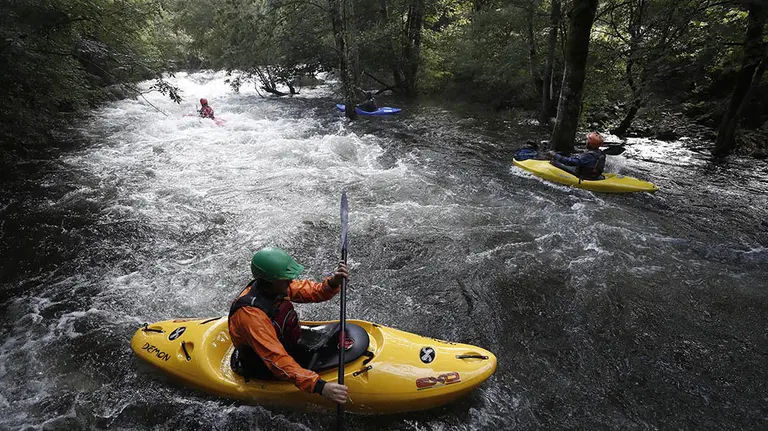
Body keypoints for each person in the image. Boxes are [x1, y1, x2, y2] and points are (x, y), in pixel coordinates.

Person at [228, 247, 349, 404]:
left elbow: (314, 292)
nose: (291, 281)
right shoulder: (251, 316)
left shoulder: (275, 287)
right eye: (286, 278)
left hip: (283, 345)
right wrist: (320, 387)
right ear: (271, 281)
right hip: (263, 365)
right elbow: (275, 360)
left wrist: (333, 282)